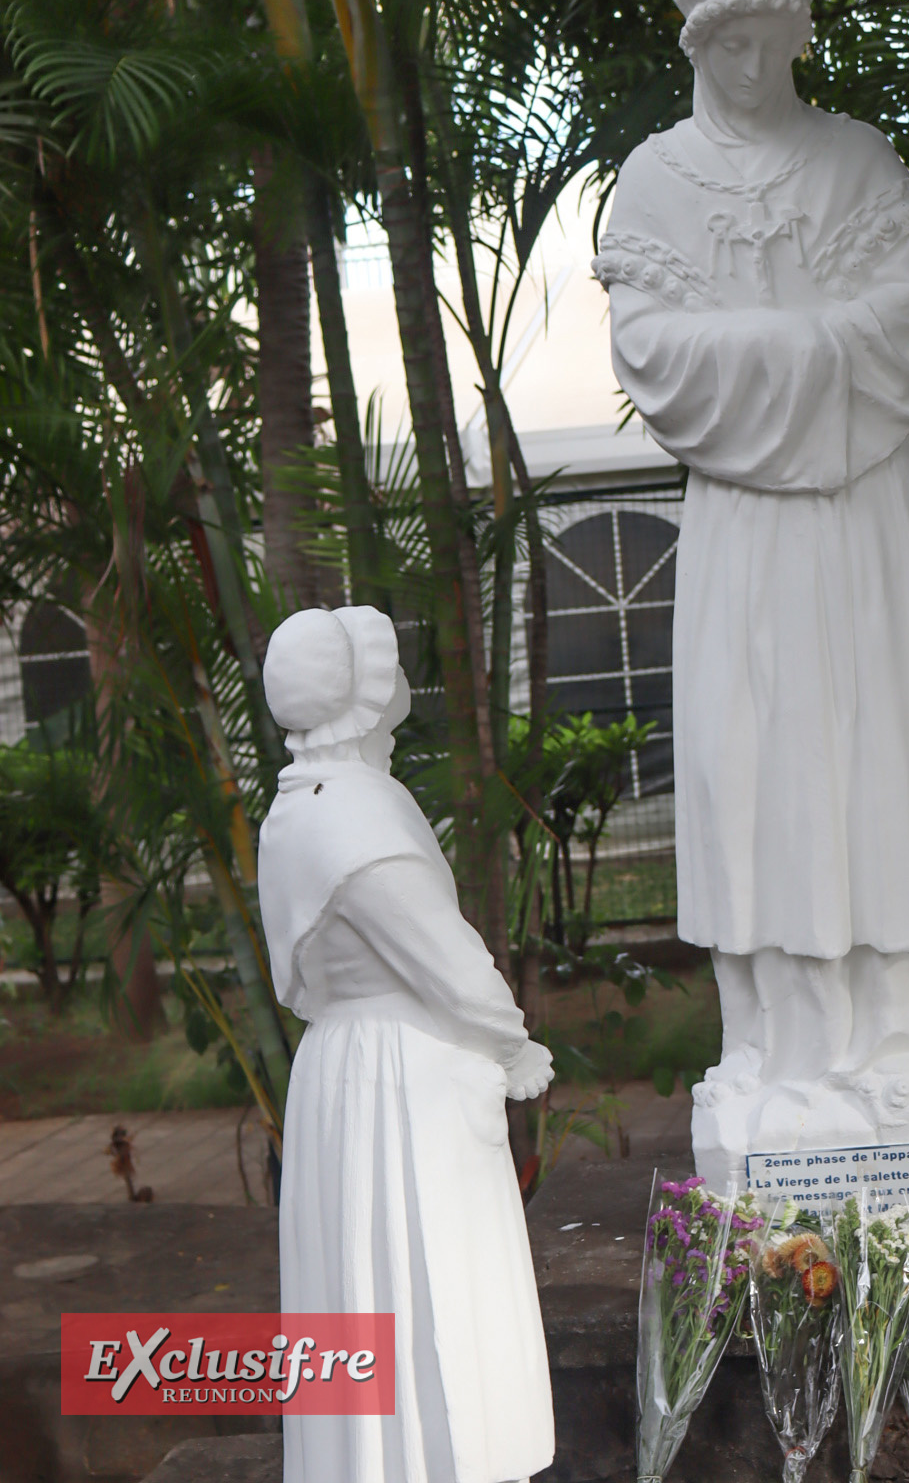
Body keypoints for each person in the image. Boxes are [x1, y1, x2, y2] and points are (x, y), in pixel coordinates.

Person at [594, 0, 909, 1183]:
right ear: (698, 45)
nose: (751, 62)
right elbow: (653, 358)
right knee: (772, 761)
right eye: (728, 42)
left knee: (901, 753)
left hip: (872, 517)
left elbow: (906, 327)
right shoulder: (655, 180)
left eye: (770, 39)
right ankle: (793, 1045)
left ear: (798, 37)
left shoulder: (857, 156)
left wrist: (761, 346)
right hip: (752, 532)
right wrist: (814, 351)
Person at [258, 606, 554, 1483]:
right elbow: (442, 954)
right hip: (401, 1071)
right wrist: (511, 1041)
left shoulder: (293, 808)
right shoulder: (358, 813)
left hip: (342, 1066)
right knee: (426, 1284)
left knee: (365, 1277)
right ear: (362, 702)